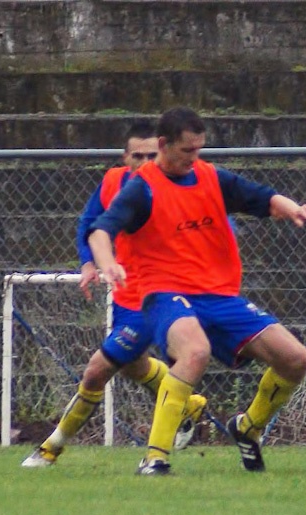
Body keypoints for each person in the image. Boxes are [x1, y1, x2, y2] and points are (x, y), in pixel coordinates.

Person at [87, 106, 306, 475]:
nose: (193, 159)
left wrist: (291, 208)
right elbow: (101, 230)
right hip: (164, 292)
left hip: (219, 295)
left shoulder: (210, 177)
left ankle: (247, 429)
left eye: (199, 150)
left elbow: (261, 197)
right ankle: (155, 457)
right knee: (195, 352)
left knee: (295, 358)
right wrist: (106, 263)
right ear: (164, 145)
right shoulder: (141, 189)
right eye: (187, 151)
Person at [22, 121, 207, 468]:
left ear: (164, 152)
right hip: (126, 294)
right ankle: (189, 404)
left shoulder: (178, 189)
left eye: (151, 154)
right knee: (132, 364)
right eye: (137, 155)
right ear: (125, 157)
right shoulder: (114, 183)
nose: (144, 161)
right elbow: (90, 223)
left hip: (158, 296)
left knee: (96, 370)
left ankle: (50, 448)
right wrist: (89, 264)